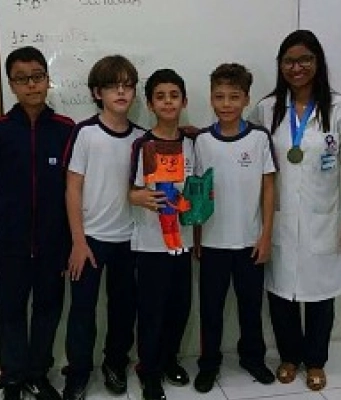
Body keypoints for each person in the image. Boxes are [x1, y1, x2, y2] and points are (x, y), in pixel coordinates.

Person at [249, 29, 341, 391]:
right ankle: (288, 357)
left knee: (320, 294)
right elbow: (243, 144)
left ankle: (315, 361)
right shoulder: (267, 109)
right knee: (280, 291)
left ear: (318, 62)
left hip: (324, 218)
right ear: (280, 65)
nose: (296, 68)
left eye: (305, 60)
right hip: (279, 218)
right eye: (289, 61)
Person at [0, 46, 75, 400]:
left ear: (47, 79)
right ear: (11, 85)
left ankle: (37, 374)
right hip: (11, 242)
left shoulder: (66, 130)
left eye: (37, 76)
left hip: (54, 242)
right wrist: (6, 203)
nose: (31, 85)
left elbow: (76, 183)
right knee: (11, 310)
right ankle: (12, 378)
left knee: (48, 309)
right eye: (22, 79)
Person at [62, 55, 145, 400]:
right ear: (98, 93)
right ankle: (78, 373)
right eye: (112, 86)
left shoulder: (141, 138)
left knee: (123, 308)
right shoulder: (85, 133)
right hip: (90, 241)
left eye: (127, 85)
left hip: (130, 239)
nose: (121, 92)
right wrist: (78, 241)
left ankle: (115, 363)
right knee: (82, 311)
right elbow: (72, 189)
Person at [192, 63, 276, 393]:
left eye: (234, 97)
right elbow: (197, 191)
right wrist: (197, 236)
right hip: (213, 243)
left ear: (246, 99)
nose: (226, 103)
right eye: (219, 96)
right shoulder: (201, 141)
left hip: (250, 243)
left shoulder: (259, 138)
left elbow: (269, 188)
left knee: (250, 307)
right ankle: (209, 364)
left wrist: (266, 235)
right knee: (210, 309)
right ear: (211, 98)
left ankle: (252, 358)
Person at [129, 69, 194, 400]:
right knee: (152, 310)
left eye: (174, 95)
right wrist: (137, 196)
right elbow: (130, 190)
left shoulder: (192, 142)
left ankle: (169, 360)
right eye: (160, 96)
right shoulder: (142, 144)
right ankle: (149, 370)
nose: (168, 102)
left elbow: (196, 187)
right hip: (151, 244)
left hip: (184, 243)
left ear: (184, 101)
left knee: (179, 306)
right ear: (150, 104)